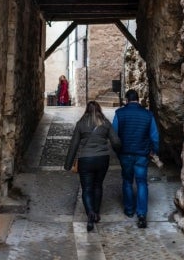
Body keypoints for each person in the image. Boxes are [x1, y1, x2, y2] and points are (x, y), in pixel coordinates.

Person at [64, 101, 121, 232]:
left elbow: (74, 145)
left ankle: (90, 214)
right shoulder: (105, 123)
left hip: (85, 160)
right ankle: (96, 212)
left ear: (87, 110)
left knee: (87, 188)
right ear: (99, 110)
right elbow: (116, 141)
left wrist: (68, 164)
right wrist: (120, 151)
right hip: (102, 159)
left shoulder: (81, 123)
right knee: (98, 185)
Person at [112, 89, 160, 229]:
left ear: (126, 100)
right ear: (138, 99)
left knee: (127, 181)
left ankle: (129, 210)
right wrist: (154, 152)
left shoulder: (119, 114)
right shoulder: (148, 115)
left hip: (125, 154)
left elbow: (114, 136)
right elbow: (155, 137)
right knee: (142, 183)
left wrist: (117, 152)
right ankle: (142, 214)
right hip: (142, 155)